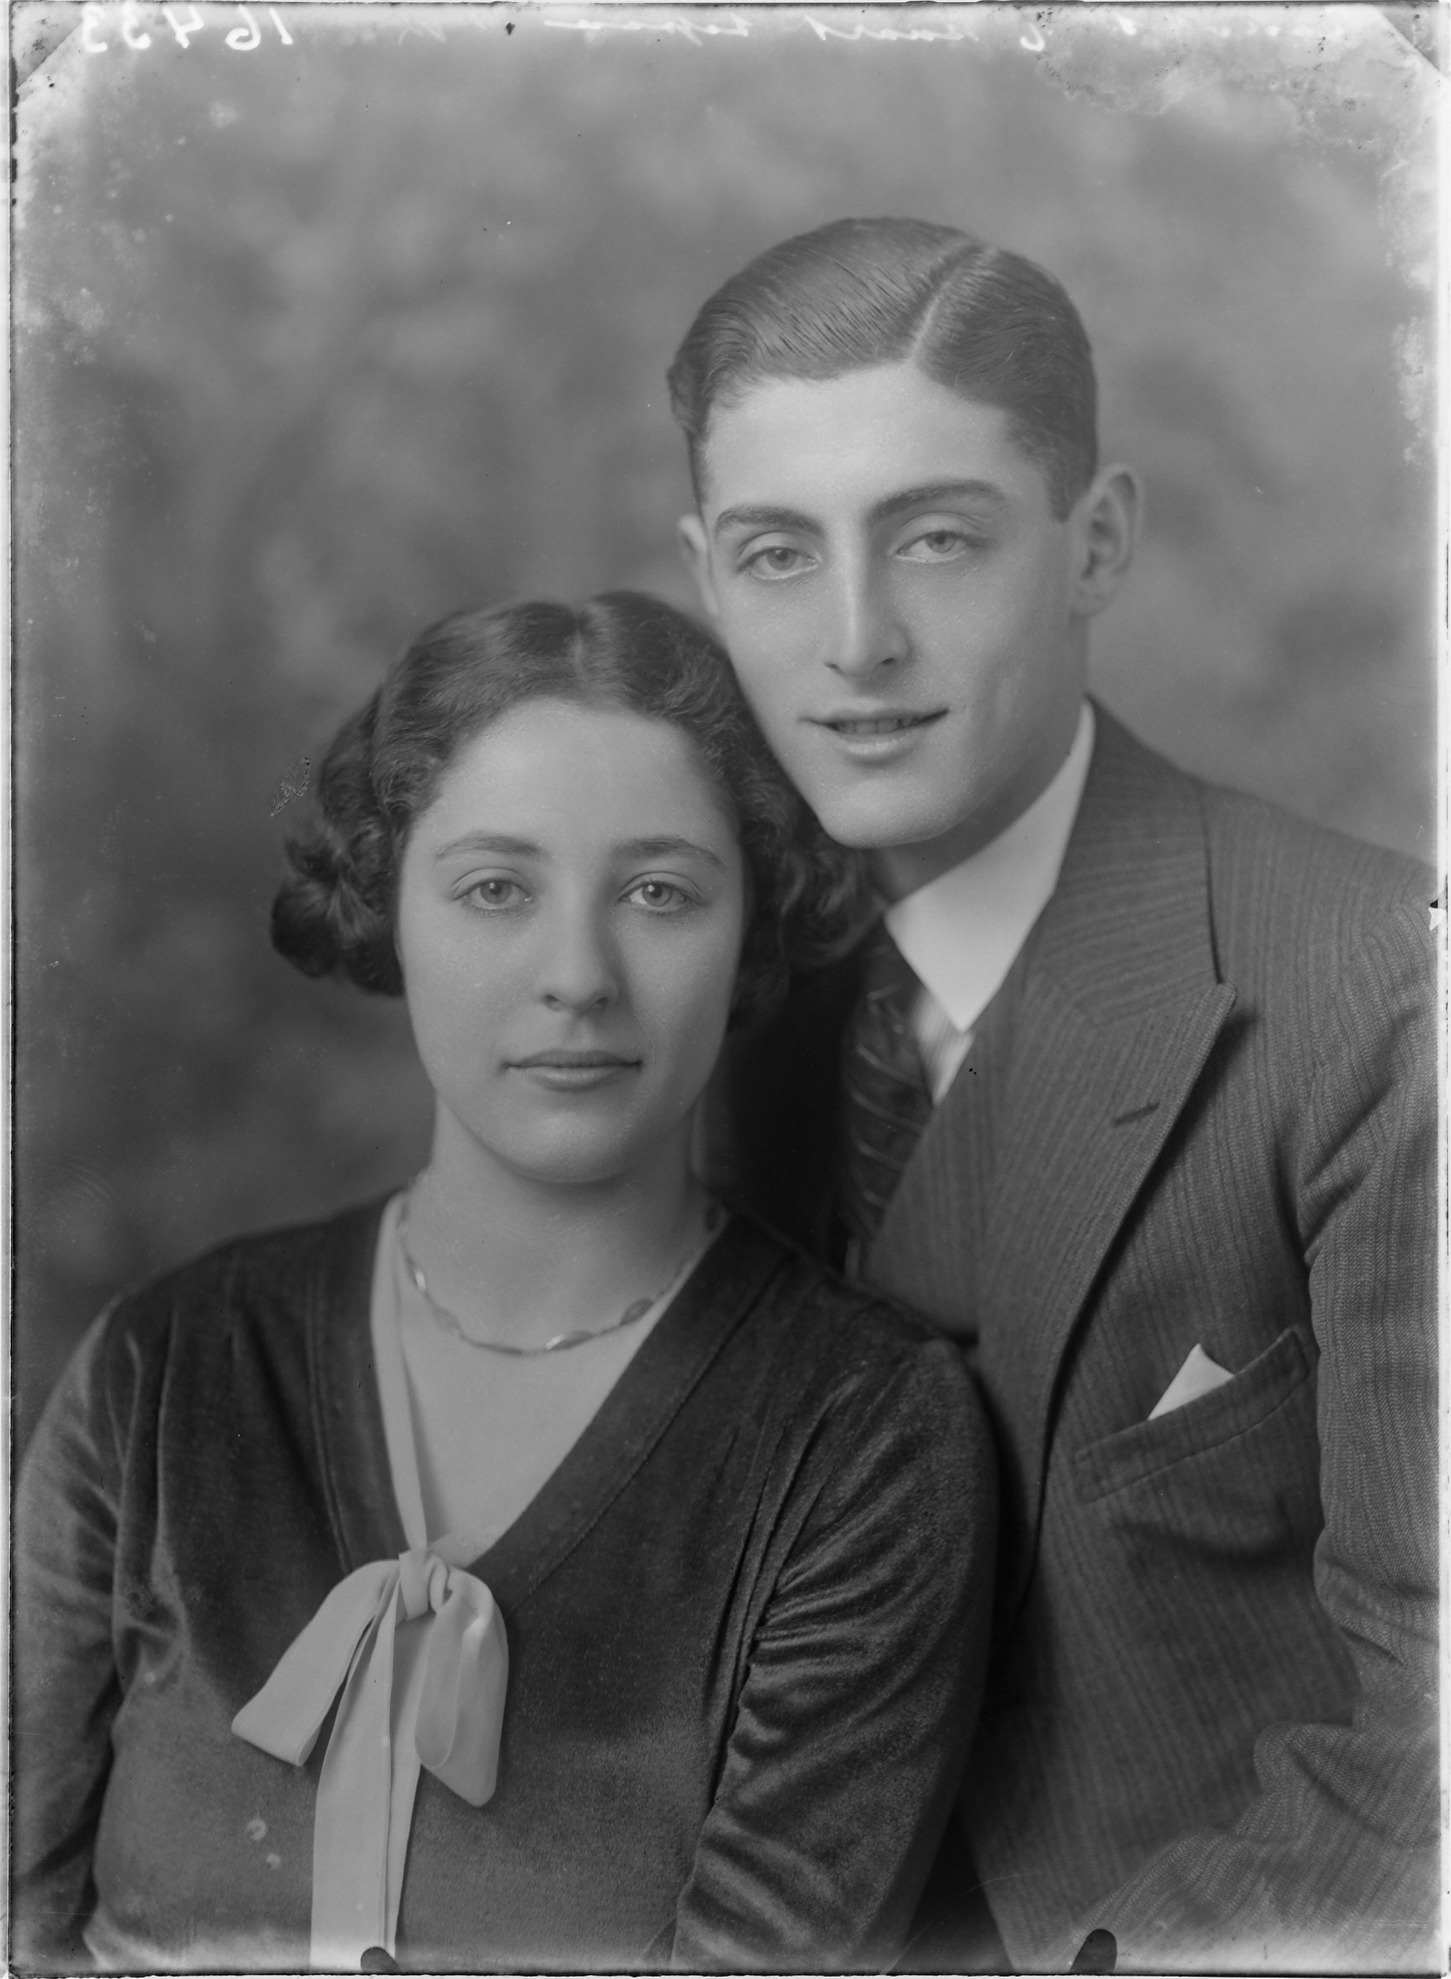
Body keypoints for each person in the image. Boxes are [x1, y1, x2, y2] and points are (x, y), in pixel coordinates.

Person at [12, 591, 999, 1975]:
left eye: (659, 893)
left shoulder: (865, 1438)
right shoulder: (159, 1373)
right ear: (390, 909)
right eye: (494, 890)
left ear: (752, 926)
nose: (577, 977)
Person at [669, 218, 1438, 1974]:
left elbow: (1431, 1758)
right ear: (705, 576)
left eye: (937, 538)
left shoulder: (1379, 992)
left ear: (1097, 542)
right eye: (779, 554)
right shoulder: (700, 993)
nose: (857, 641)